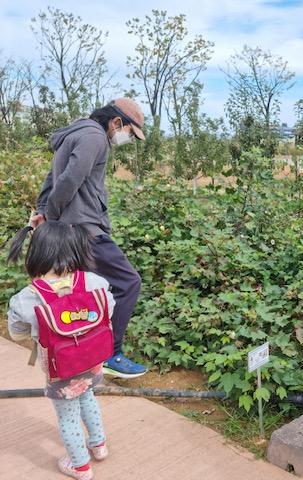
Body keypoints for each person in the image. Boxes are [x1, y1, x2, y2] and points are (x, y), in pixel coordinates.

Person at [30, 98, 147, 378]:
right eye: (130, 132)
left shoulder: (75, 134)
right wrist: (55, 219)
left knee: (82, 291)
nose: (127, 139)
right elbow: (69, 180)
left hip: (72, 228)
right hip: (84, 229)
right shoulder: (95, 136)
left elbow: (51, 179)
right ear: (116, 122)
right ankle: (110, 354)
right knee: (128, 282)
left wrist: (43, 211)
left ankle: (83, 351)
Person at [7, 221, 115, 480]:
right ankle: (98, 445)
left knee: (68, 417)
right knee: (88, 397)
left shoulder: (27, 297)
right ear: (75, 249)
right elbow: (108, 311)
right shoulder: (94, 281)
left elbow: (16, 332)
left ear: (36, 253)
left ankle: (80, 466)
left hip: (62, 370)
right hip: (93, 361)